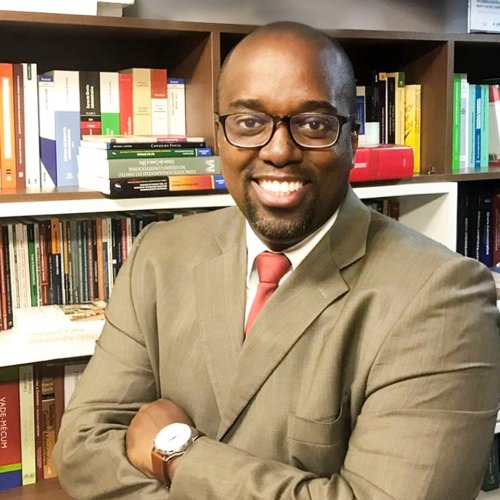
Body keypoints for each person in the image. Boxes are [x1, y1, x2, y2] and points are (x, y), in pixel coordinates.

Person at [54, 21, 500, 499]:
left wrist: (178, 454)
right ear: (220, 136)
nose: (279, 150)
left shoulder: (443, 298)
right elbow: (82, 448)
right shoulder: (159, 254)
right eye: (250, 123)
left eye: (314, 124)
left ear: (351, 142)